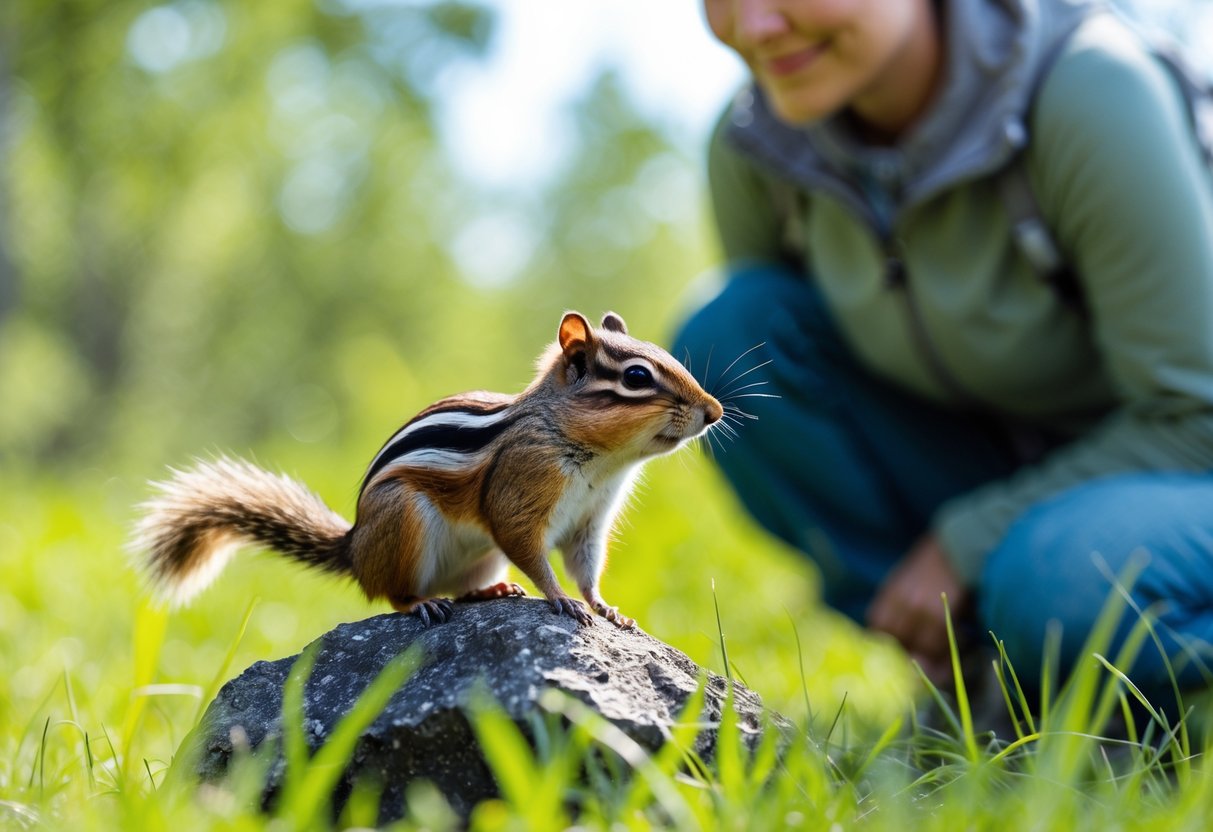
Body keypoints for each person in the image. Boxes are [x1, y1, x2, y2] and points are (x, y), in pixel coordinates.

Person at [674, 0, 1213, 706]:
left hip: (1181, 475)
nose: (754, 26)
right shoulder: (758, 146)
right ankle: (978, 674)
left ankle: (1079, 661)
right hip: (1015, 474)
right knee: (724, 348)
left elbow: (1197, 417)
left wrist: (970, 539)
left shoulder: (1089, 89)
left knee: (1060, 584)